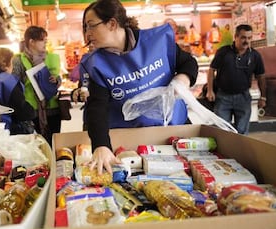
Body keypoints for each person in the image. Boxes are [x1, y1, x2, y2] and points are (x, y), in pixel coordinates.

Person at [81, 0, 198, 175]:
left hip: (174, 130)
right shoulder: (97, 64)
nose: (87, 34)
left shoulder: (155, 42)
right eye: (85, 28)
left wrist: (182, 80)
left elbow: (188, 62)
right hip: (133, 143)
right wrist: (101, 145)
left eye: (91, 26)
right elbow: (96, 108)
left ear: (112, 23)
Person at [206, 24, 266, 135]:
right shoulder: (223, 52)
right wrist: (210, 90)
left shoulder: (255, 56)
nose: (246, 41)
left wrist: (263, 97)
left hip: (243, 97)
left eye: (249, 38)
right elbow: (211, 70)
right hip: (223, 97)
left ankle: (240, 152)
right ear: (236, 37)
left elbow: (261, 76)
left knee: (242, 132)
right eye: (243, 37)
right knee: (222, 131)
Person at [12, 26, 62, 144]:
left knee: (54, 143)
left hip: (52, 108)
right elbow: (15, 85)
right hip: (31, 110)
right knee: (36, 144)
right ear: (31, 42)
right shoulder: (18, 60)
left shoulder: (53, 57)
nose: (45, 43)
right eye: (42, 40)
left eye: (46, 40)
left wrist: (56, 80)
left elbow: (57, 79)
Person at [0, 47, 35, 135]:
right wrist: (31, 112)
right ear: (5, 65)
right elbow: (22, 110)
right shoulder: (9, 82)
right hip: (11, 129)